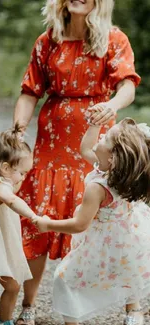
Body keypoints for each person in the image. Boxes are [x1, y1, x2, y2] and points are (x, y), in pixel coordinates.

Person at [13, 0, 141, 323]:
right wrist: (18, 128)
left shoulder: (114, 39)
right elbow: (30, 91)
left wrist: (112, 106)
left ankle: (133, 307)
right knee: (39, 218)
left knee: (114, 223)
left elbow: (127, 85)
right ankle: (29, 306)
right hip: (51, 145)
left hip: (96, 143)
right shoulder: (47, 42)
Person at [34, 117, 150, 325]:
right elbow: (86, 148)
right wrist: (94, 124)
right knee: (129, 269)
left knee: (64, 278)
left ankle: (73, 322)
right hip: (128, 237)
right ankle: (134, 313)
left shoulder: (98, 188)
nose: (102, 135)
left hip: (105, 241)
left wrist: (47, 224)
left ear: (113, 157)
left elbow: (80, 224)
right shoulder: (122, 174)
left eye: (106, 137)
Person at [0, 124, 40, 325]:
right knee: (12, 286)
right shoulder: (1, 185)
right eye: (22, 173)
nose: (23, 178)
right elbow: (12, 200)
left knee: (13, 286)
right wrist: (33, 216)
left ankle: (5, 321)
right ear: (5, 168)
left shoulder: (3, 181)